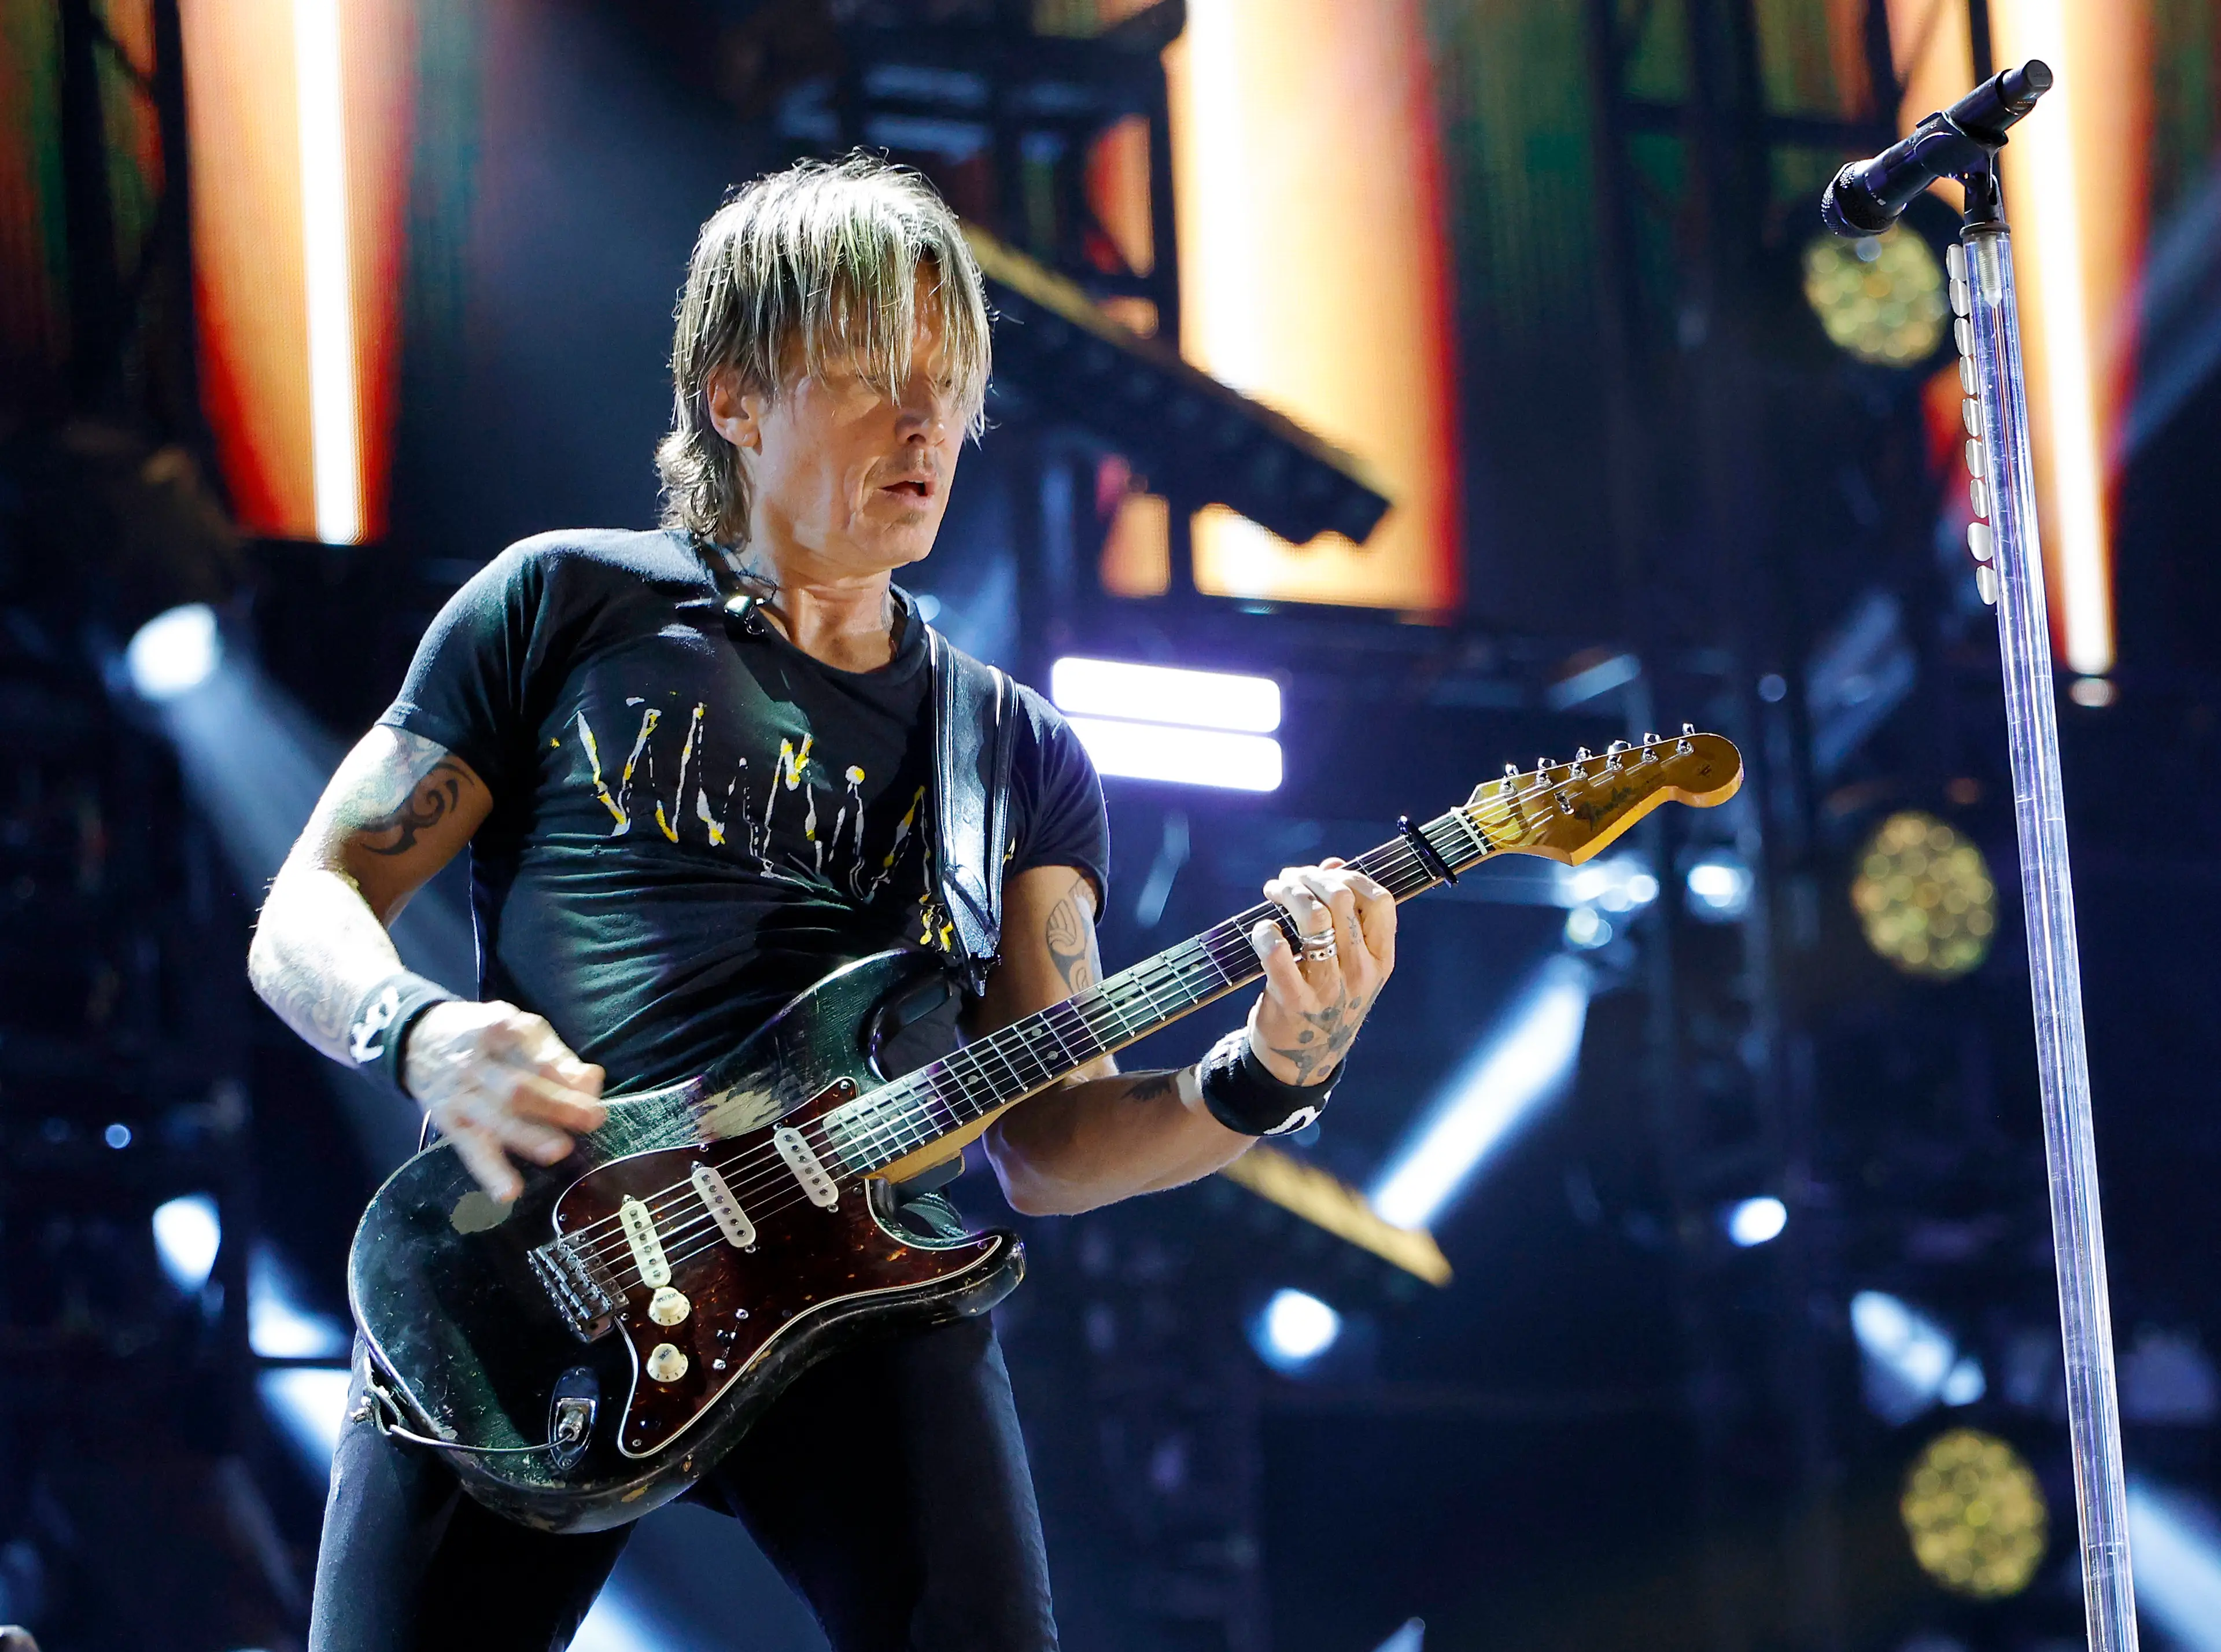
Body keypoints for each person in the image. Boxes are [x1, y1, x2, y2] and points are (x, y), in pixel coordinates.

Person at [249, 154, 1395, 1652]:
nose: (926, 426)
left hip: (865, 1293)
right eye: (868, 377)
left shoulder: (1015, 752)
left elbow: (1051, 1144)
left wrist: (1272, 1073)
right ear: (733, 396)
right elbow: (311, 907)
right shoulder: (566, 606)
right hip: (537, 1264)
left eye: (948, 384)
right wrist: (423, 1034)